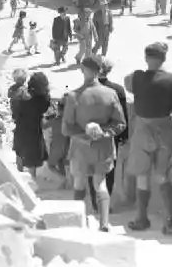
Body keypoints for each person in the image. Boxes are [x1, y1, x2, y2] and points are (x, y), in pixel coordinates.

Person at [124, 42, 172, 235]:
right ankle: (169, 221)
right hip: (165, 129)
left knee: (142, 174)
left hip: (143, 129)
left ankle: (141, 218)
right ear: (164, 59)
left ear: (146, 58)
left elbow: (128, 82)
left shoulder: (135, 78)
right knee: (163, 176)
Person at [62, 57, 126, 232]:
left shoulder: (73, 96)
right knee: (100, 183)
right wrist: (103, 133)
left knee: (79, 183)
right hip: (103, 146)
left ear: (83, 70)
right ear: (100, 71)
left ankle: (78, 222)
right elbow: (120, 124)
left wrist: (84, 136)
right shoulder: (111, 94)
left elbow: (66, 128)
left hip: (80, 148)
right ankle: (104, 223)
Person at [88, 57, 129, 215]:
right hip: (111, 136)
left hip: (91, 135)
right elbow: (123, 115)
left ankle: (95, 203)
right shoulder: (118, 90)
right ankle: (106, 204)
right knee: (109, 171)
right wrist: (124, 136)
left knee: (92, 169)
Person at [12, 71, 51, 181]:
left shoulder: (20, 95)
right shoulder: (42, 99)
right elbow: (44, 109)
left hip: (20, 129)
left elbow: (14, 113)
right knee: (33, 159)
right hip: (34, 131)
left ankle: (18, 178)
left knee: (19, 152)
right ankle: (32, 180)